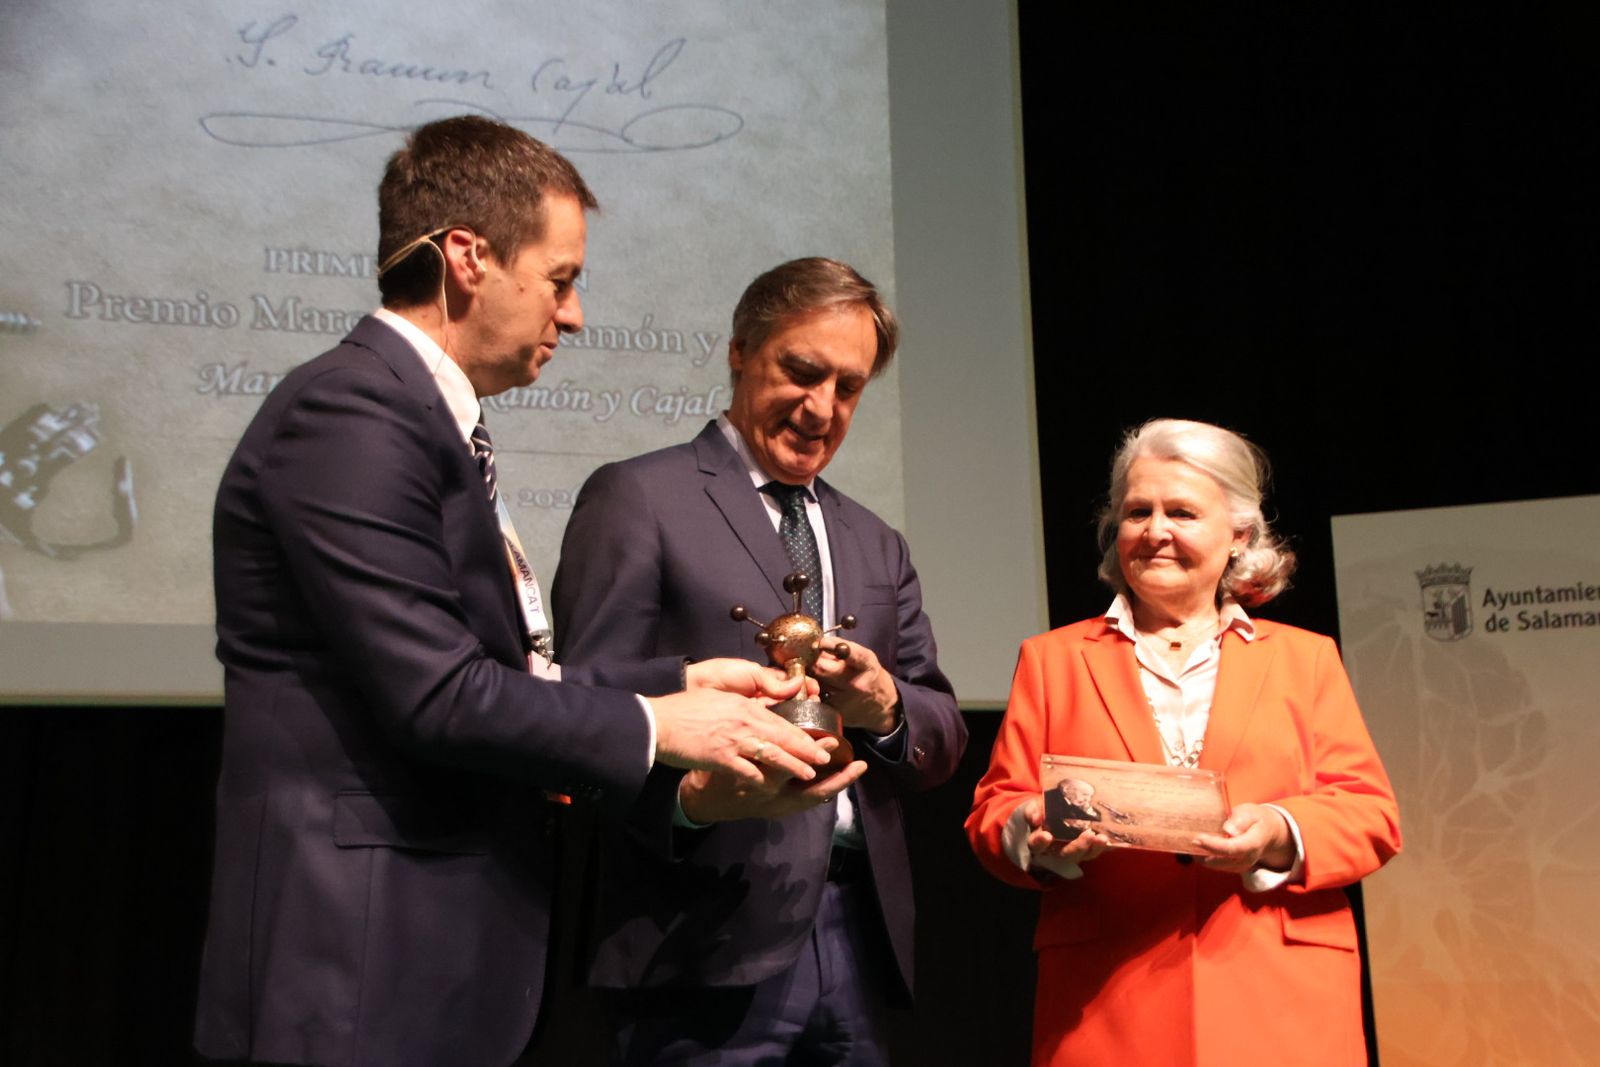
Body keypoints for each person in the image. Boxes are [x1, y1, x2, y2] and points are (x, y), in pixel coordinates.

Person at [194, 116, 832, 1067]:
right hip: (356, 964)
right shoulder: (351, 411)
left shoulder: (423, 420)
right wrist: (661, 726)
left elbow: (504, 669)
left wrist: (684, 681)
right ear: (467, 258)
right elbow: (438, 693)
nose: (572, 315)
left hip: (428, 960)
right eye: (561, 279)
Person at [552, 257, 967, 1065]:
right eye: (801, 372)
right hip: (696, 935)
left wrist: (884, 707)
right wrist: (695, 801)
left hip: (856, 931)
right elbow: (582, 711)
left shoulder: (876, 540)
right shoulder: (637, 497)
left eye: (848, 388)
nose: (822, 409)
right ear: (741, 350)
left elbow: (942, 732)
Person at [966, 417, 1401, 1067]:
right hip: (1109, 1003)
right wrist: (1034, 829)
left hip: (1281, 1002)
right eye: (1138, 511)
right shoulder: (1051, 659)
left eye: (1183, 511)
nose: (1156, 530)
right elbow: (995, 809)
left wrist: (1278, 829)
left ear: (1239, 535)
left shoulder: (1306, 659)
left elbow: (1371, 813)